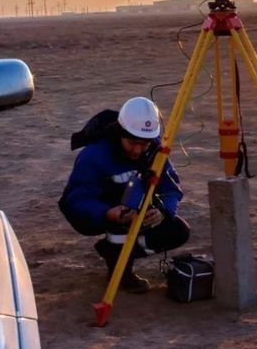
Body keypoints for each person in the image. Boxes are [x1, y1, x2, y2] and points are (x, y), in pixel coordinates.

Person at [58, 97, 190, 293]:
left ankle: (112, 251)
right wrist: (108, 212)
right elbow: (77, 199)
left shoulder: (156, 151)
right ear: (120, 132)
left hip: (136, 208)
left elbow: (171, 189)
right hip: (97, 212)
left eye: (143, 144)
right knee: (119, 223)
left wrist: (162, 210)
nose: (137, 149)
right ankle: (121, 272)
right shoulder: (94, 155)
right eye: (132, 142)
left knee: (178, 231)